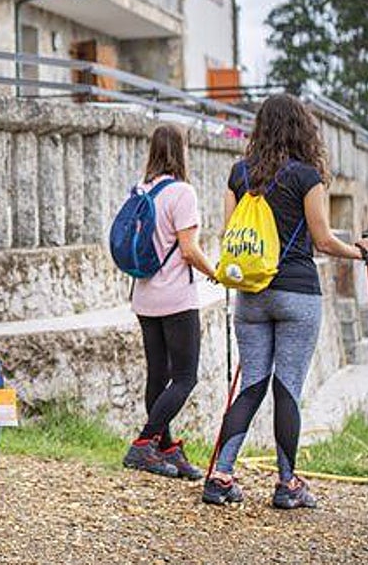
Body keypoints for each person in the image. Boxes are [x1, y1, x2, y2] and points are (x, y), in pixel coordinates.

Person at [203, 94, 368, 509]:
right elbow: (321, 239)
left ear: (259, 129)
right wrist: (359, 252)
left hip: (250, 293)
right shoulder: (306, 176)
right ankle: (287, 485)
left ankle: (221, 475)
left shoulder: (239, 175)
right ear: (302, 129)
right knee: (287, 388)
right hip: (297, 291)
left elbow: (233, 234)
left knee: (252, 385)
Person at [122, 124, 218, 479]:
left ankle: (164, 448)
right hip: (176, 298)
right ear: (182, 151)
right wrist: (216, 273)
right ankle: (144, 444)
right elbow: (190, 250)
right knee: (185, 378)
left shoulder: (140, 190)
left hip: (145, 297)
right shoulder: (182, 192)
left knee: (158, 376)